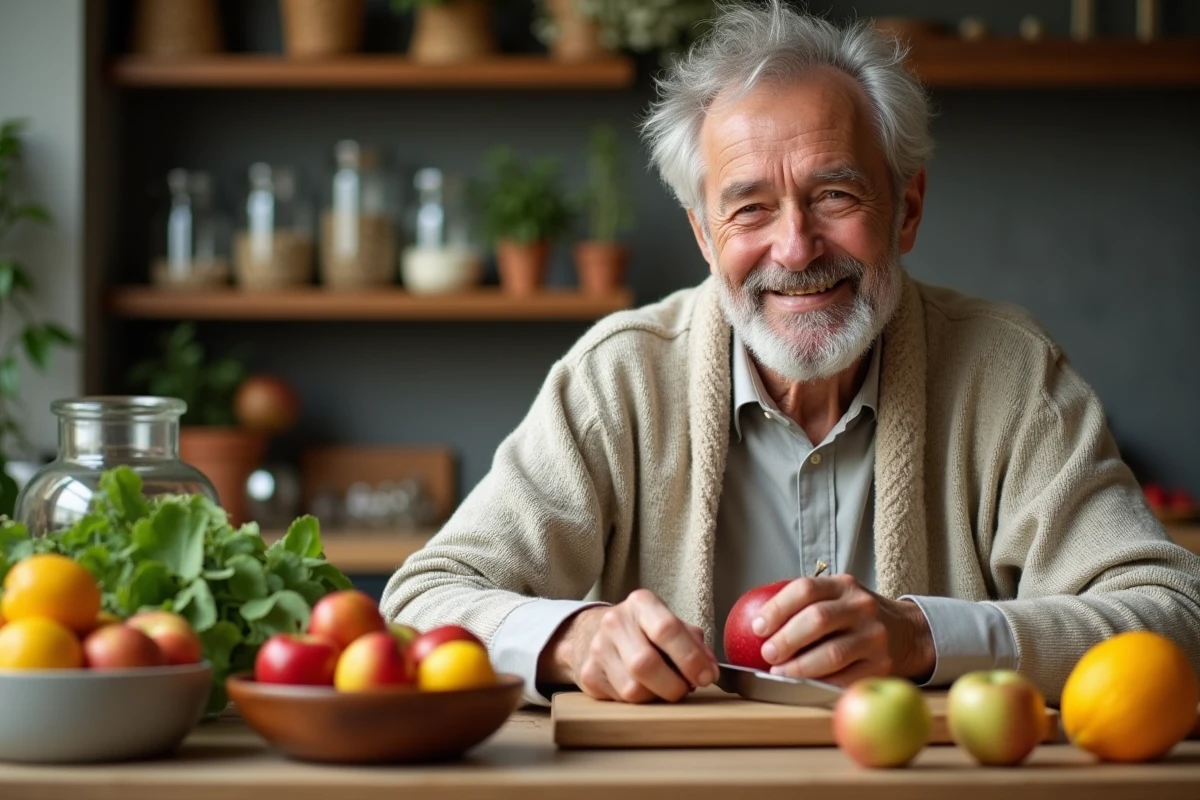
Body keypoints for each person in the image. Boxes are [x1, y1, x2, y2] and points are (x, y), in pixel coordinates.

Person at [381, 1, 1200, 707]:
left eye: (834, 195)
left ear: (905, 210)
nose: (797, 247)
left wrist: (925, 636)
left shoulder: (1010, 372)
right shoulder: (620, 376)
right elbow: (420, 601)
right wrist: (571, 640)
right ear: (705, 235)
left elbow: (1174, 614)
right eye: (749, 210)